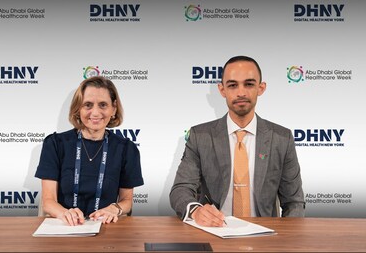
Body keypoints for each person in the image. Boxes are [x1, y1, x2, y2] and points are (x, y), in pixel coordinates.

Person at [170, 55, 305, 227]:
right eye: (233, 85)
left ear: (261, 88)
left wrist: (287, 238)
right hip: (215, 231)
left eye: (249, 84)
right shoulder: (200, 136)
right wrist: (196, 211)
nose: (241, 92)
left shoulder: (282, 138)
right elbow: (180, 190)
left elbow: (294, 202)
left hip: (266, 236)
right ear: (222, 90)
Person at [35, 76, 144, 226]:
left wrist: (115, 208)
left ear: (114, 108)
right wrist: (65, 213)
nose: (95, 112)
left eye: (103, 105)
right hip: (64, 227)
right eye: (88, 105)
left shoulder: (126, 149)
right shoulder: (55, 144)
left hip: (106, 228)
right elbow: (48, 202)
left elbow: (127, 201)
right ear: (78, 108)